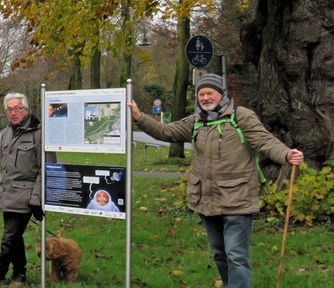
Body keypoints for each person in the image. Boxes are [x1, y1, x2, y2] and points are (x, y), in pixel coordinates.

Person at [127, 73, 304, 288]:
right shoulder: (197, 120)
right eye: (201, 94)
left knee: (236, 255)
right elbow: (167, 131)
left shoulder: (241, 117)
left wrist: (286, 155)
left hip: (237, 199)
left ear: (221, 95)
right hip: (207, 199)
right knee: (220, 254)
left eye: (210, 93)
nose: (205, 98)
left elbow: (265, 142)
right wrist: (139, 117)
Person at [0, 92, 56, 288]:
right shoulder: (5, 133)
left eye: (17, 108)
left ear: (26, 109)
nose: (13, 113)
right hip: (7, 195)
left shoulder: (39, 133)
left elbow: (48, 168)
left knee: (8, 238)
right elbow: (4, 166)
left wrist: (37, 199)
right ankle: (20, 273)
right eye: (9, 109)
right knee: (15, 237)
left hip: (27, 196)